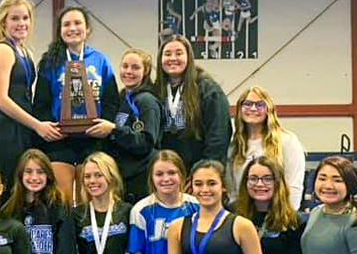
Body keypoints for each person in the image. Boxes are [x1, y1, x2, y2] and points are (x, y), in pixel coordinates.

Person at [33, 6, 120, 204]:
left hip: (92, 138)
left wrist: (105, 125)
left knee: (88, 199)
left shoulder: (101, 60)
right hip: (60, 139)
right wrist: (50, 128)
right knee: (61, 200)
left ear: (87, 29)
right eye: (66, 24)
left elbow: (112, 100)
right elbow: (41, 103)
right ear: (60, 30)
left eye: (77, 23)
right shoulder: (49, 62)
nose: (72, 28)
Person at [0, 0, 62, 197]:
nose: (21, 23)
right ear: (3, 22)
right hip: (6, 129)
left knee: (24, 189)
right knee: (8, 188)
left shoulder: (26, 52)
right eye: (15, 18)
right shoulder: (2, 50)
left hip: (23, 127)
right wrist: (37, 125)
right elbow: (0, 99)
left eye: (25, 18)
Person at [156, 35, 231, 172]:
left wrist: (204, 172)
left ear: (189, 58)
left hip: (199, 174)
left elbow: (218, 135)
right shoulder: (156, 92)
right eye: (167, 54)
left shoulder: (208, 90)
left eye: (179, 53)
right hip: (167, 175)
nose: (173, 58)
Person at [3, 149, 76, 254]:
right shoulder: (9, 210)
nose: (34, 177)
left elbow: (66, 253)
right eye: (28, 172)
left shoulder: (60, 207)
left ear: (48, 175)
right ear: (20, 174)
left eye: (40, 172)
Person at [228, 86, 306, 210]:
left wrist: (289, 215)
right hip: (244, 213)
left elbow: (294, 184)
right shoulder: (234, 145)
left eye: (260, 105)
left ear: (269, 109)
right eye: (247, 104)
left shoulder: (287, 140)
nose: (253, 109)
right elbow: (232, 189)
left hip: (278, 213)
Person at [103, 48, 164, 204]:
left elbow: (146, 142)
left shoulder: (147, 102)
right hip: (122, 177)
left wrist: (114, 130)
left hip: (141, 178)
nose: (129, 71)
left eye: (135, 67)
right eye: (125, 66)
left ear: (145, 71)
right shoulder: (122, 98)